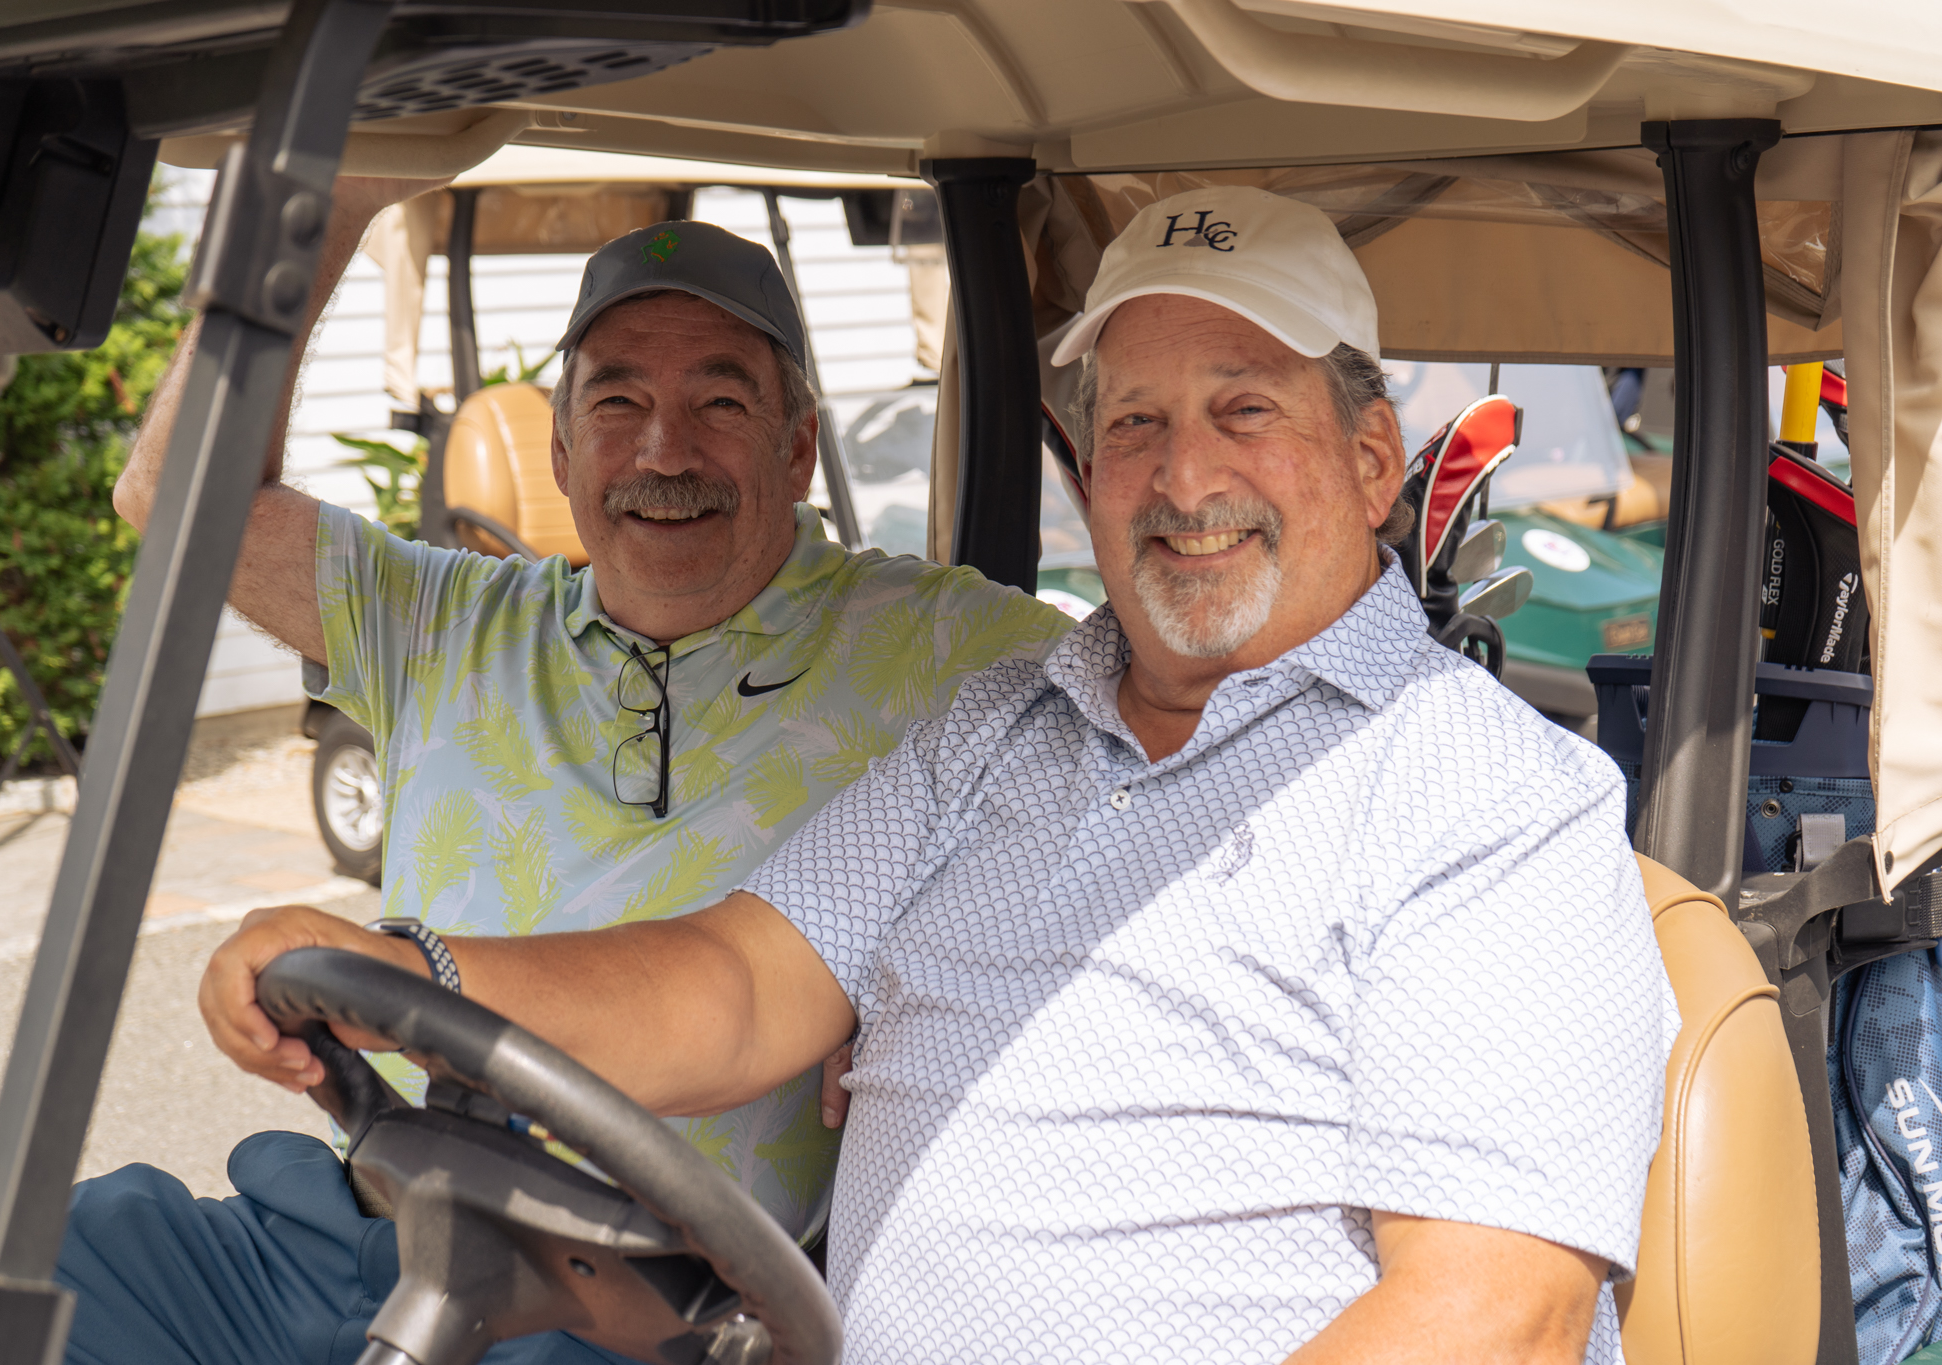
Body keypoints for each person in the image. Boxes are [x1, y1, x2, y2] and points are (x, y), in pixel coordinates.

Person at [201, 184, 1680, 1364]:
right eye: (1133, 425)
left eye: (1244, 411)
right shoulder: (1004, 722)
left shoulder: (1484, 799)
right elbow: (731, 987)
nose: (1182, 479)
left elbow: (1496, 1319)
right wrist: (409, 962)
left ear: (1371, 461)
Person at [60, 176, 1069, 1365]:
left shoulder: (950, 645)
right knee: (47, 1259)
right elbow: (173, 499)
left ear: (798, 445)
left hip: (646, 1302)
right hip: (375, 1210)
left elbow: (1159, 746)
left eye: (720, 401)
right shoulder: (440, 620)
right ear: (559, 445)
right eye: (618, 400)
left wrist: (956, 985)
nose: (662, 450)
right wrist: (339, 201)